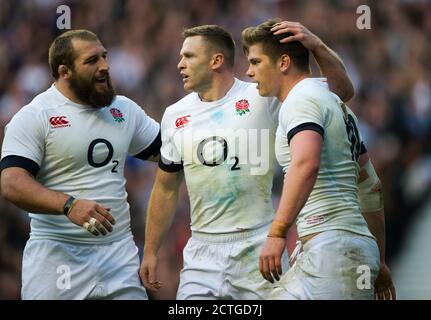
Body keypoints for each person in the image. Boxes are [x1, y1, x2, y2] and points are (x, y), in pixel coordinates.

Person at [140, 22, 354, 299]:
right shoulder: (174, 115)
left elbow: (341, 93)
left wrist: (318, 46)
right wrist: (150, 250)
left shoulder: (263, 95)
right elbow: (166, 187)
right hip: (202, 252)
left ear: (216, 60)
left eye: (189, 56)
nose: (180, 64)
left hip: (259, 245)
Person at [0, 30, 161, 299]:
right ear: (65, 71)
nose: (104, 67)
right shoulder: (36, 116)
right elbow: (12, 182)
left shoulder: (123, 110)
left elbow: (170, 153)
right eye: (91, 61)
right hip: (57, 258)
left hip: (118, 256)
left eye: (104, 57)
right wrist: (69, 205)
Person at [242, 19, 395, 299]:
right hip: (347, 248)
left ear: (284, 63)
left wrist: (277, 233)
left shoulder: (300, 102)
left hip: (332, 252)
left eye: (255, 62)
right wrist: (378, 258)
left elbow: (306, 164)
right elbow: (371, 187)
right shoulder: (334, 104)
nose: (249, 72)